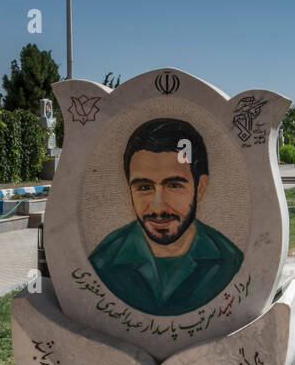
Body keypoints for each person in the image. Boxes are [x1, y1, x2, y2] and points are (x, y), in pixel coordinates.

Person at [88, 118, 243, 316]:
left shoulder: (229, 262)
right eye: (144, 188)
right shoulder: (102, 263)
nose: (158, 206)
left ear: (200, 187)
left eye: (174, 185)